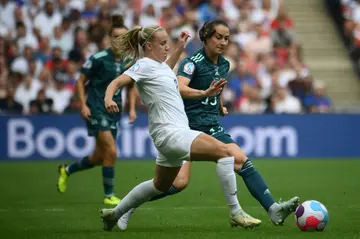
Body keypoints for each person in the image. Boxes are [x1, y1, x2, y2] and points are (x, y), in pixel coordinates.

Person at [117, 20, 299, 230]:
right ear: (206, 37)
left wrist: (218, 104)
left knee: (240, 159)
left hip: (211, 125)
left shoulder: (224, 64)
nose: (223, 42)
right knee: (178, 183)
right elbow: (180, 88)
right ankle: (129, 206)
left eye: (227, 38)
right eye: (218, 37)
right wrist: (204, 94)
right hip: (187, 128)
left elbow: (215, 88)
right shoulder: (191, 63)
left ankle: (273, 208)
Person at [57, 14, 137, 205]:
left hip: (114, 112)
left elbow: (131, 85)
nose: (119, 40)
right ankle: (109, 195)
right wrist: (83, 105)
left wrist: (132, 108)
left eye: (123, 37)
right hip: (96, 108)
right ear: (110, 38)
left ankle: (66, 170)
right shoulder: (99, 58)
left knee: (99, 157)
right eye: (116, 37)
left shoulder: (128, 61)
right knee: (111, 150)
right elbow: (80, 81)